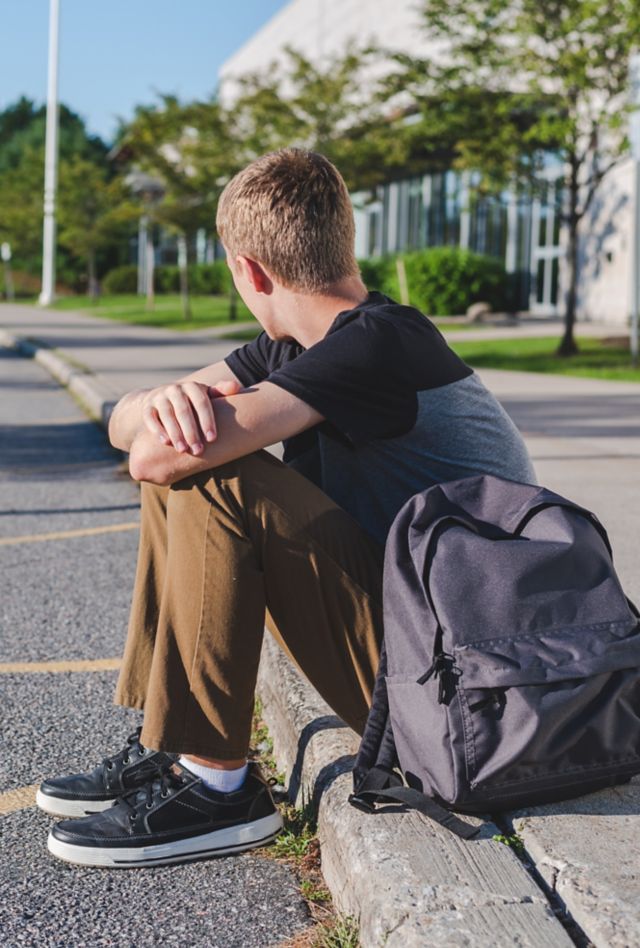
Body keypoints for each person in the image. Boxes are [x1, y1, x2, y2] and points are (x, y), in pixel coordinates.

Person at [37, 149, 536, 868]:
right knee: (191, 452)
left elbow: (155, 455)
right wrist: (157, 401)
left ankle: (217, 786)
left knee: (213, 474)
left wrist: (166, 421)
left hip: (467, 695)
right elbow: (128, 425)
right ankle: (167, 743)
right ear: (344, 240)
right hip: (433, 663)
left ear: (250, 271)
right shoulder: (302, 346)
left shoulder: (375, 346)